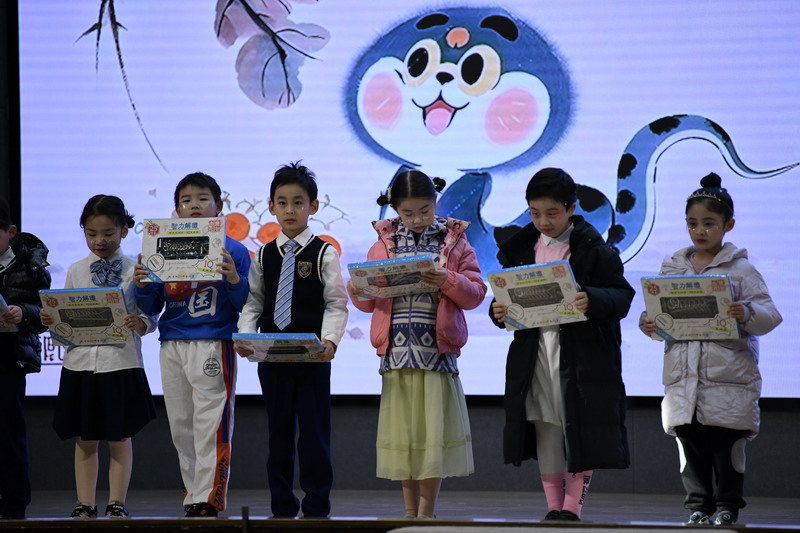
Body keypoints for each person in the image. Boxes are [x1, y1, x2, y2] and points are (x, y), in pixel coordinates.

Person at [489, 168, 633, 522]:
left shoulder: (593, 248)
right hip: (536, 353)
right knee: (545, 427)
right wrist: (497, 311)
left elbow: (622, 296)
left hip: (581, 356)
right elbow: (506, 299)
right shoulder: (521, 249)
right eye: (535, 213)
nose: (543, 222)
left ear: (571, 207)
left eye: (552, 213)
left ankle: (572, 506)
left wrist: (592, 298)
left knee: (577, 426)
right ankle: (554, 506)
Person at [640, 173, 782, 526]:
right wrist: (649, 324)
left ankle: (727, 507)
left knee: (726, 446)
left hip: (729, 379)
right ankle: (698, 508)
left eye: (708, 223)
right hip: (683, 379)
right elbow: (658, 316)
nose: (699, 231)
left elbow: (770, 316)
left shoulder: (742, 269)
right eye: (692, 223)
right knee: (690, 447)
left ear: (727, 225)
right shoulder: (673, 267)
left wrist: (745, 312)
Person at [348, 170, 485, 519]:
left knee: (431, 436)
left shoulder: (454, 241)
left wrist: (447, 278)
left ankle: (427, 511)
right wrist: (357, 289)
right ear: (395, 209)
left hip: (436, 354)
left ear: (436, 202)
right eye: (408, 213)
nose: (417, 219)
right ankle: (409, 511)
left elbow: (476, 293)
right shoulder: (383, 244)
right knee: (404, 437)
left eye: (425, 210)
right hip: (396, 353)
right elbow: (368, 303)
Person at [133, 173, 251, 518]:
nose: (194, 205)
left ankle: (209, 498)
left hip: (213, 341)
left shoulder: (234, 250)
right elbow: (152, 304)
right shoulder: (160, 247)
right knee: (181, 426)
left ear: (219, 206)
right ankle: (192, 495)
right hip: (172, 343)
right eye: (186, 200)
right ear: (177, 210)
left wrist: (233, 278)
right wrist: (142, 284)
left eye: (202, 199)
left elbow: (246, 304)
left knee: (211, 423)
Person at [236, 161, 348, 519]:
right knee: (279, 434)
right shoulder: (263, 254)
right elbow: (254, 302)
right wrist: (246, 336)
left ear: (313, 206)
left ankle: (317, 505)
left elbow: (336, 303)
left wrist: (330, 341)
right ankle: (282, 505)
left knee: (314, 434)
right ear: (271, 207)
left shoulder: (324, 252)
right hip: (272, 359)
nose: (290, 210)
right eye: (282, 202)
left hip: (312, 359)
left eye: (298, 202)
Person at [40, 195, 156, 519]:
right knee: (85, 437)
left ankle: (117, 502)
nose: (99, 241)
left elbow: (150, 314)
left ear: (124, 230)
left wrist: (141, 323)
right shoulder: (76, 270)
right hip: (80, 365)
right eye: (91, 234)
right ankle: (85, 503)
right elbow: (65, 322)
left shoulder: (136, 269)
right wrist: (53, 321)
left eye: (107, 233)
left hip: (120, 363)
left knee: (119, 437)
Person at [0, 198, 51, 520]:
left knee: (9, 430)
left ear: (10, 231)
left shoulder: (30, 264)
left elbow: (47, 313)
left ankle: (14, 503)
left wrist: (24, 313)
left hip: (10, 357)